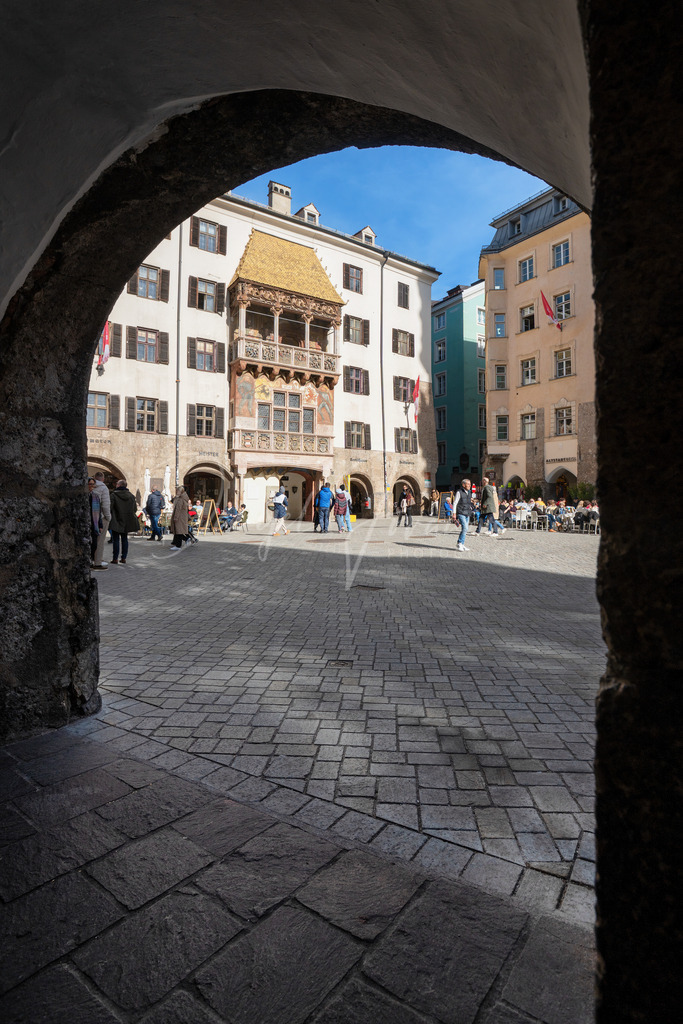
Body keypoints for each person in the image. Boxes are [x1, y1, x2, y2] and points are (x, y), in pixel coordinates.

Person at [109, 478, 140, 564]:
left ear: (118, 485)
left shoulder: (113, 495)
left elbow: (110, 508)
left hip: (116, 520)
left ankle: (115, 558)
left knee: (115, 540)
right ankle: (124, 558)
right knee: (124, 539)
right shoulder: (131, 496)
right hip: (126, 520)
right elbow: (135, 509)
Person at [92, 471, 111, 568]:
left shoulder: (89, 486)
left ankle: (90, 560)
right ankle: (98, 561)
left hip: (90, 517)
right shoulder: (104, 488)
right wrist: (108, 517)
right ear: (103, 479)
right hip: (101, 517)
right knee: (100, 540)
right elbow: (105, 505)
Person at [452, 478, 473, 551]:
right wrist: (454, 513)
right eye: (468, 484)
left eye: (470, 484)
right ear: (463, 485)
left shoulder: (469, 492)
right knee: (465, 528)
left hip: (467, 512)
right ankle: (460, 543)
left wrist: (471, 507)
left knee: (465, 529)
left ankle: (461, 543)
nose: (469, 485)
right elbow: (455, 503)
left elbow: (469, 502)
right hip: (461, 512)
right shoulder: (459, 492)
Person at [169, 485, 191, 550]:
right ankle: (186, 539)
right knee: (179, 531)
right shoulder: (185, 498)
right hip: (182, 517)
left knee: (178, 531)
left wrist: (175, 517)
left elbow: (178, 509)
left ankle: (178, 545)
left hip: (179, 517)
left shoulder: (181, 499)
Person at [88, 477, 103, 568]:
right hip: (86, 522)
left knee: (94, 544)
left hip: (94, 523)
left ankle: (91, 559)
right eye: (90, 484)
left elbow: (99, 512)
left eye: (93, 484)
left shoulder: (95, 496)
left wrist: (100, 524)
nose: (92, 486)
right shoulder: (83, 496)